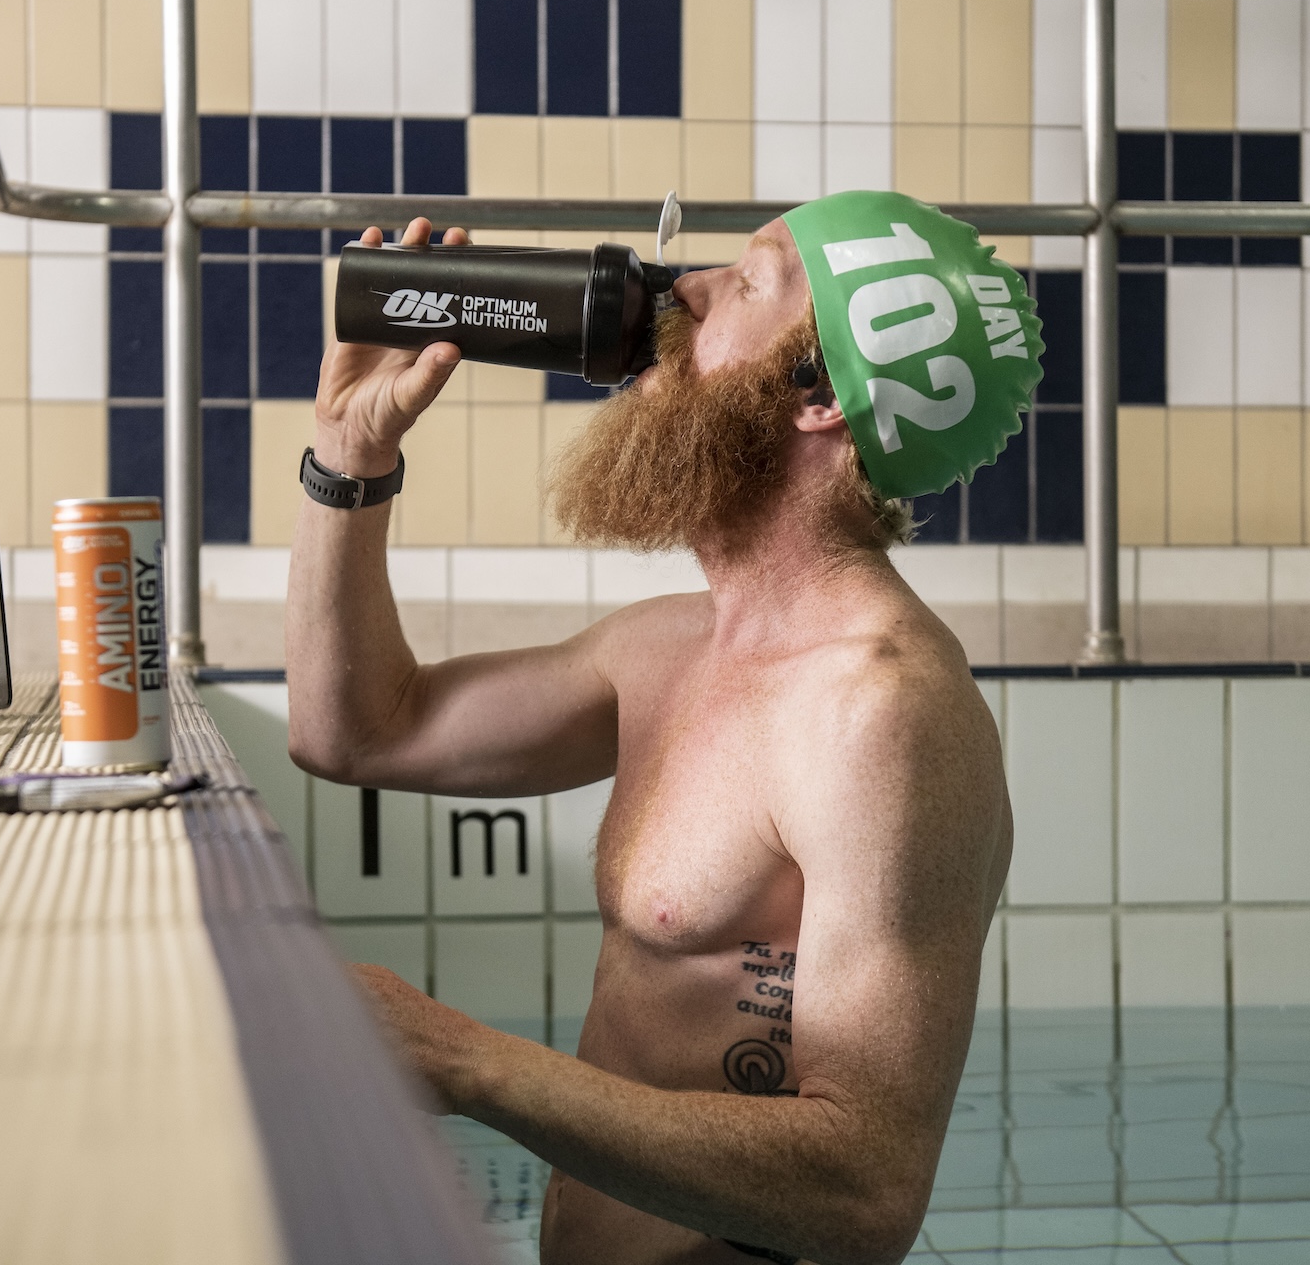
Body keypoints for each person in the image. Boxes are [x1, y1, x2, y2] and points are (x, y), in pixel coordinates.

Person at [285, 192, 1040, 1265]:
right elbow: (353, 729)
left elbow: (865, 1188)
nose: (680, 287)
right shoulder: (666, 649)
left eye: (745, 280)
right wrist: (348, 452)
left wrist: (462, 1059)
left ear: (819, 391)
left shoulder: (884, 713)